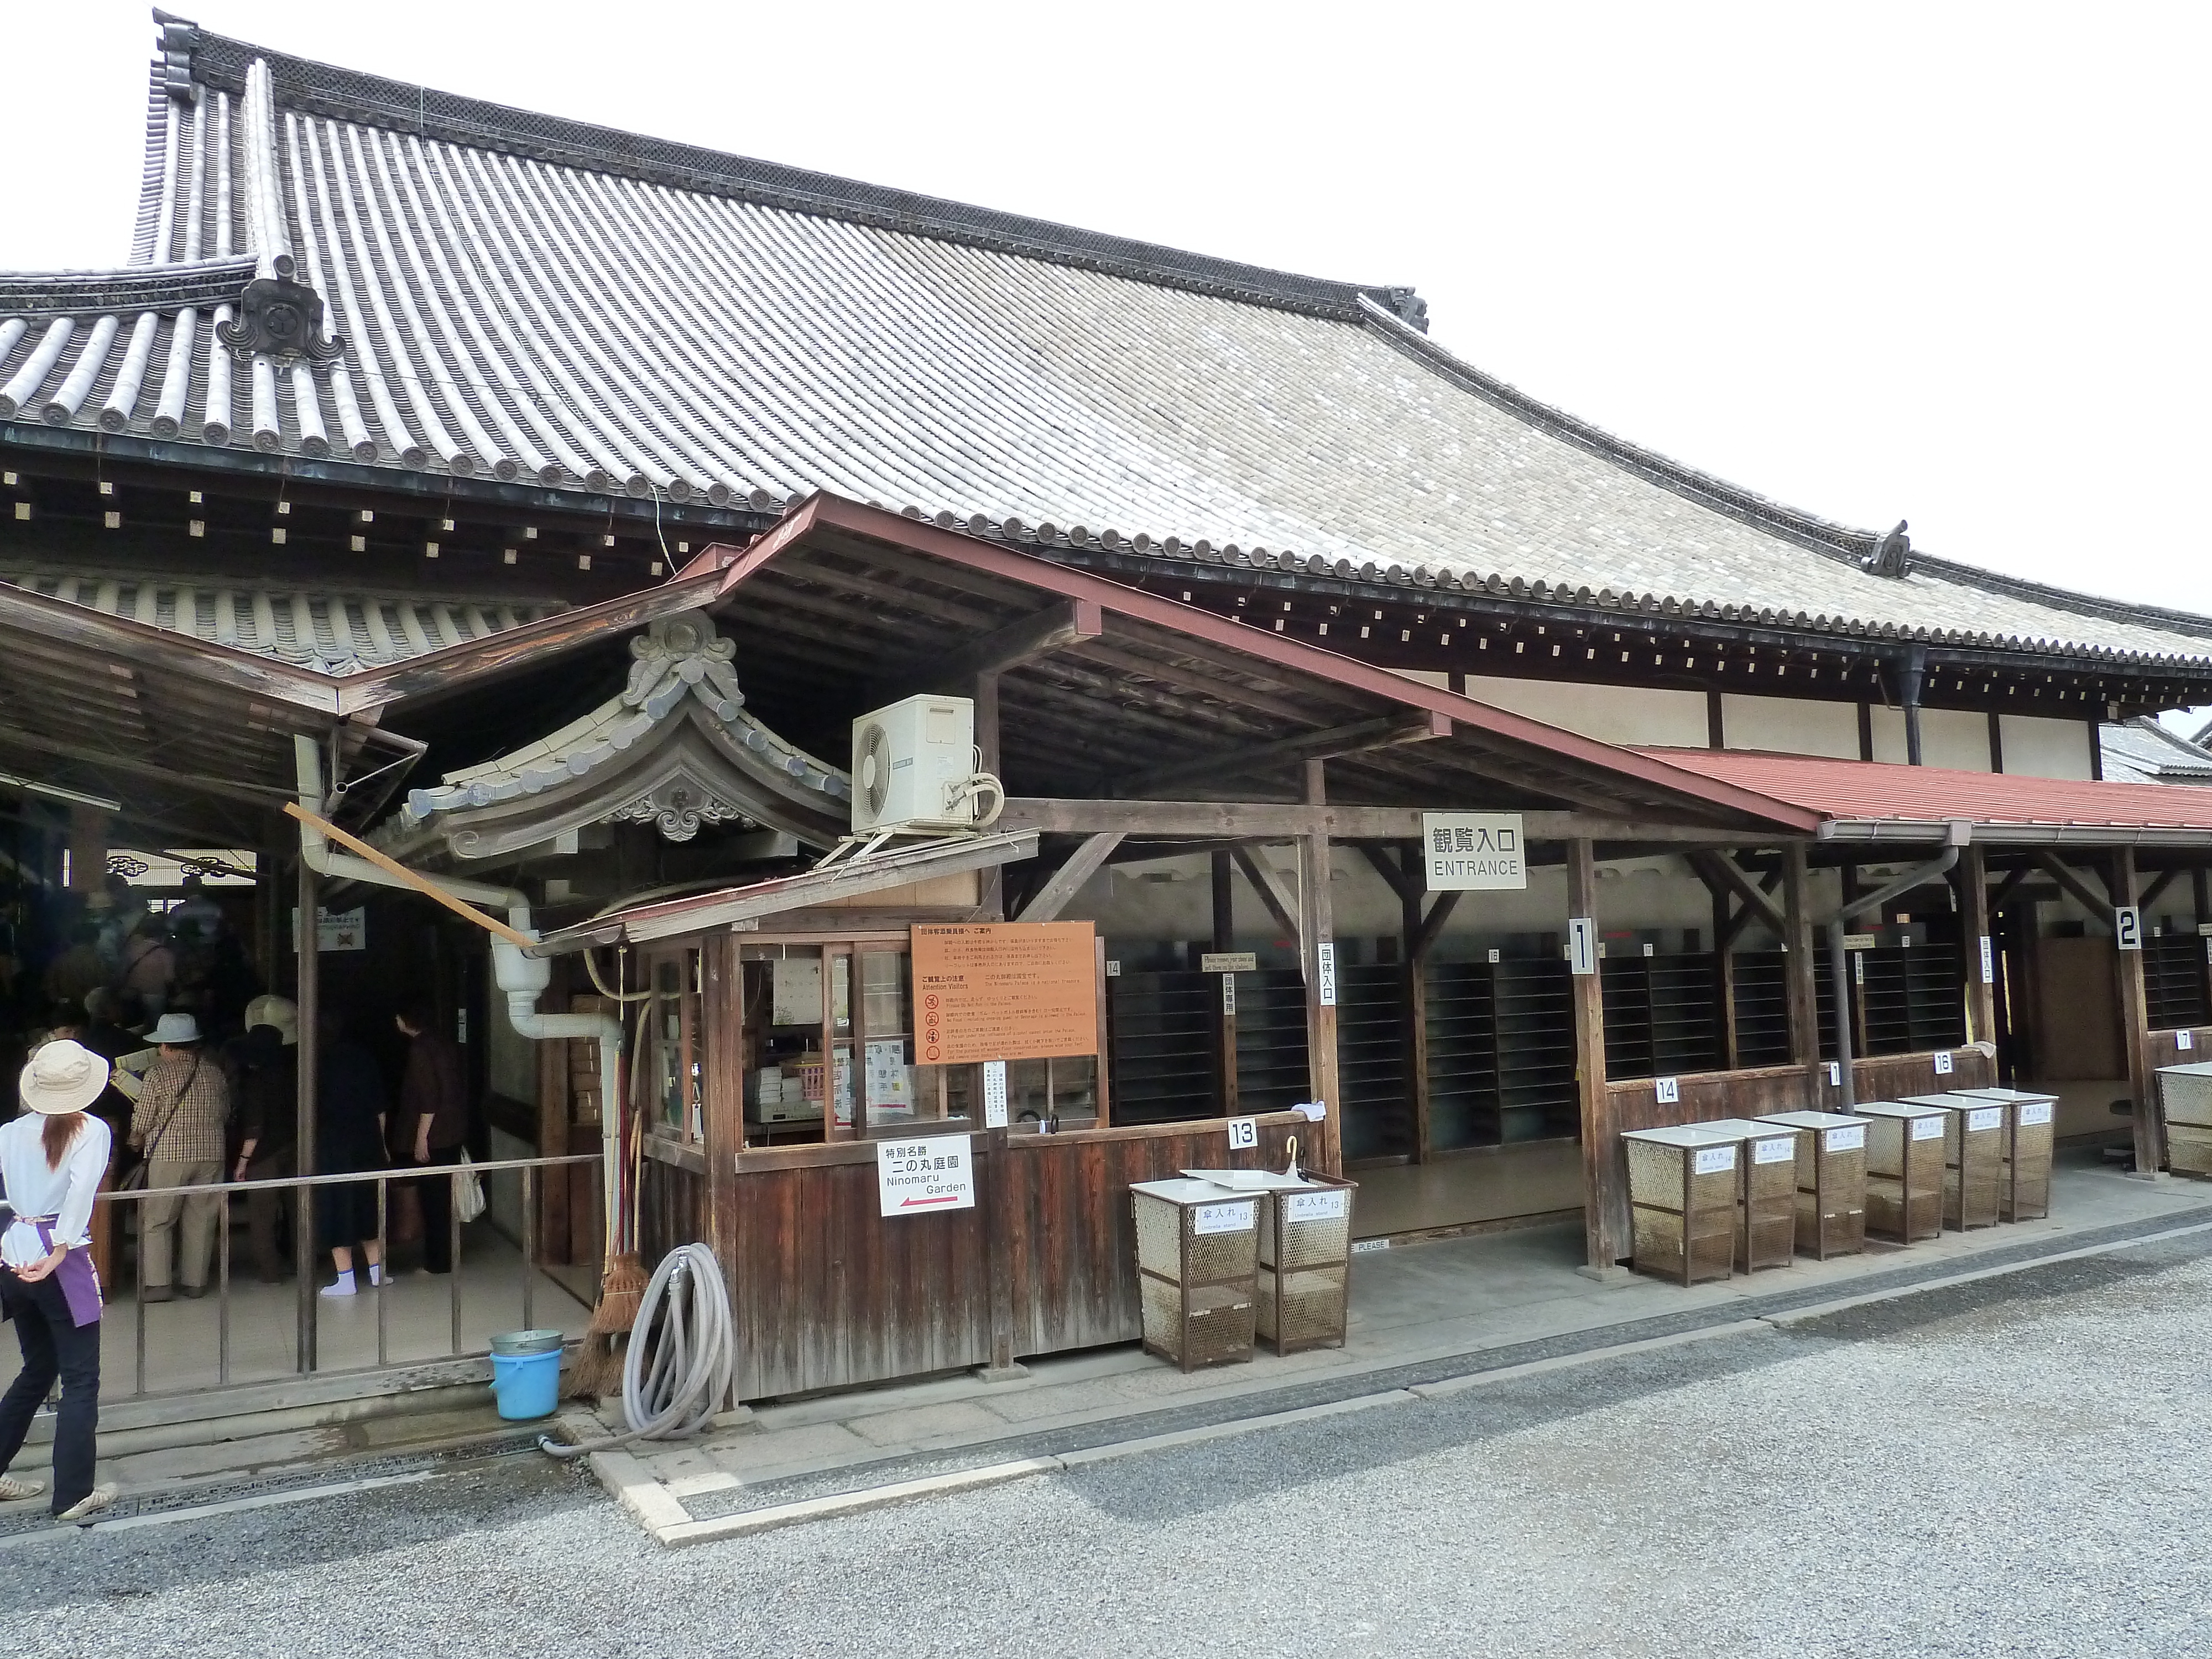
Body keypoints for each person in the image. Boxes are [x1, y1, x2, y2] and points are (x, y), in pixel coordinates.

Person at [0, 1040, 118, 1522]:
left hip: (15, 1251)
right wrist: (62, 1248)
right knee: (80, 1379)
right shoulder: (91, 1130)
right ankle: (72, 1493)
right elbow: (81, 1191)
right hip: (57, 1259)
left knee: (38, 1368)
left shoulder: (9, 1131)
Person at [126, 1013, 228, 1303]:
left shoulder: (158, 1074)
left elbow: (143, 1120)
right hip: (211, 1153)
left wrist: (135, 1139)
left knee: (159, 1219)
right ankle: (195, 1283)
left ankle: (159, 1285)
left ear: (167, 1047)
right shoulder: (214, 1072)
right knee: (202, 1219)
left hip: (170, 1155)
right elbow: (225, 1112)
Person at [394, 999, 469, 1275]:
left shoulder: (420, 1049)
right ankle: (445, 1256)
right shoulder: (445, 1044)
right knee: (442, 1198)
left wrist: (420, 1138)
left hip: (435, 1135)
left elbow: (428, 1100)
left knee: (433, 1199)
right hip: (453, 1131)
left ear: (405, 1020)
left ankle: (438, 1262)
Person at [315, 1011, 387, 1298]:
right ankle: (377, 1273)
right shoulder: (365, 1058)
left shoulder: (316, 1062)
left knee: (337, 1208)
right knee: (369, 1203)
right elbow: (380, 1107)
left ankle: (346, 1279)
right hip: (367, 1140)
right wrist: (382, 1145)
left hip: (332, 1144)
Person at [227, 996, 298, 1284]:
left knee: (262, 1217)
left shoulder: (255, 1081)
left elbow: (255, 1126)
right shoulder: (293, 1073)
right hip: (294, 1147)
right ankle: (300, 1262)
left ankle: (271, 1272)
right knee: (298, 1211)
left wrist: (243, 1162)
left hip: (263, 1155)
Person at [118, 918, 176, 1024]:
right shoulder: (165, 953)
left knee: (134, 1023)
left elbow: (122, 971)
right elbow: (170, 978)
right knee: (155, 1024)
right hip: (156, 995)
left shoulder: (131, 949)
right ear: (163, 934)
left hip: (132, 994)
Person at [41, 925, 106, 1013]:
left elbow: (50, 989)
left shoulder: (59, 960)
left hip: (65, 1013)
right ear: (94, 939)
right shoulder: (96, 960)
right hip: (90, 1012)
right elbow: (104, 988)